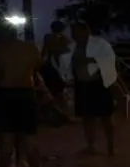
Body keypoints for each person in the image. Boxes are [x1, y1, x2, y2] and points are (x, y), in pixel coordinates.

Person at [0, 24, 46, 167]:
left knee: (5, 139)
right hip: (26, 93)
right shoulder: (30, 48)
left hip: (5, 94)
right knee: (29, 138)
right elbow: (38, 67)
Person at [69, 21, 119, 156]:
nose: (73, 35)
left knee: (106, 117)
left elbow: (110, 60)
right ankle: (90, 146)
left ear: (86, 31)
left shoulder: (99, 44)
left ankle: (111, 146)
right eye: (72, 33)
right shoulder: (74, 46)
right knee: (87, 117)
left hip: (98, 83)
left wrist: (89, 61)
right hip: (82, 84)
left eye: (76, 32)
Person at [39, 21, 71, 110]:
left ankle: (59, 109)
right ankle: (60, 109)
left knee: (56, 89)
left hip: (57, 65)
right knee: (58, 89)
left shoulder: (60, 38)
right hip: (57, 66)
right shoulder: (63, 39)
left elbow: (45, 51)